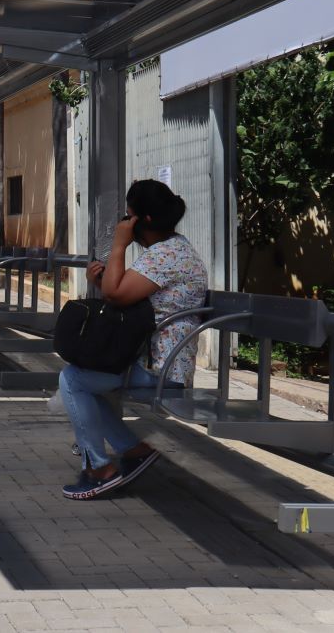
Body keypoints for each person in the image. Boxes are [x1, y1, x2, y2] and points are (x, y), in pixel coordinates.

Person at [59, 179, 208, 500]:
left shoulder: (165, 255)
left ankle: (99, 470)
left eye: (128, 217)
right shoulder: (171, 250)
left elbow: (116, 294)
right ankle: (132, 450)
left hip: (160, 368)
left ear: (145, 220)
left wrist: (118, 245)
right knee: (82, 385)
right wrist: (105, 281)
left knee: (73, 381)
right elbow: (122, 295)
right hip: (153, 361)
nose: (125, 224)